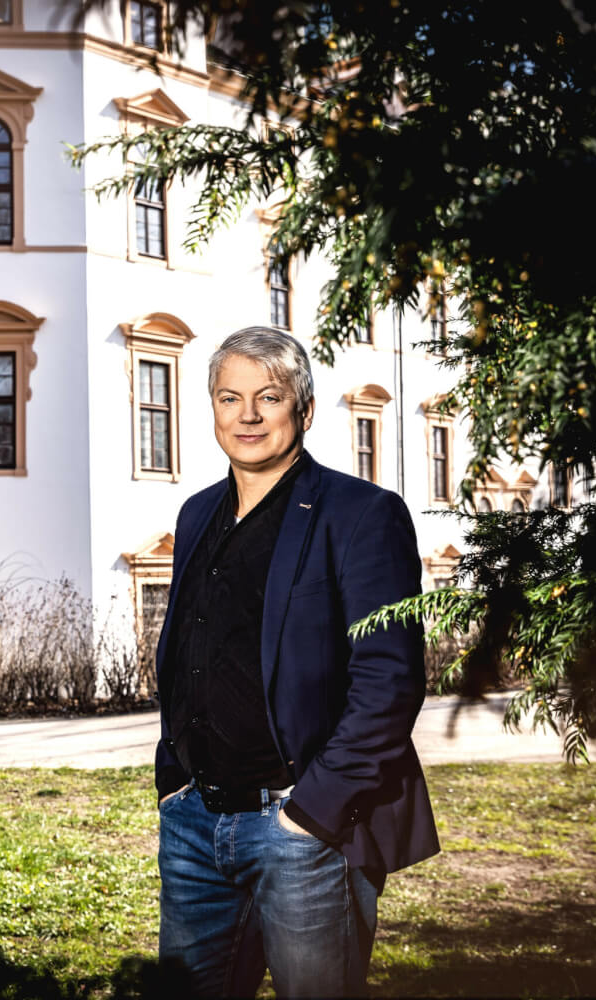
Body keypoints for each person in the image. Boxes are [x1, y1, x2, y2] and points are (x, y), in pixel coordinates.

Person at [152, 327, 439, 998]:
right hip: (195, 825)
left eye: (268, 397)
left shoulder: (363, 514)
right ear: (214, 410)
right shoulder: (197, 514)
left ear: (303, 411)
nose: (246, 416)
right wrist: (174, 782)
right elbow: (186, 652)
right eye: (229, 398)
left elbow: (390, 682)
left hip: (304, 829)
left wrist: (311, 812)